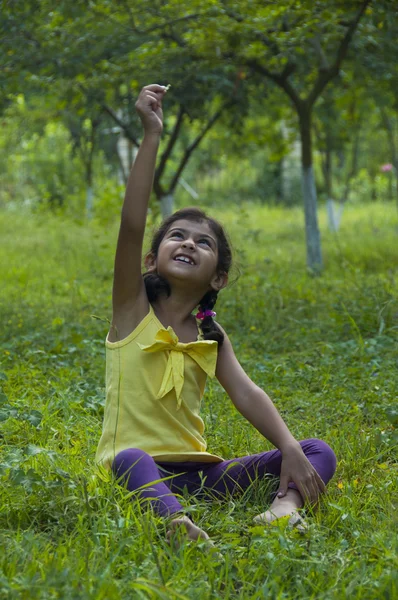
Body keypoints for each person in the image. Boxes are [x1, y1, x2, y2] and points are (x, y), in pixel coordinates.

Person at [95, 84, 336, 545]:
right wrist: (151, 136)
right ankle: (176, 523)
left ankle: (283, 511)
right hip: (136, 469)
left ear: (218, 278)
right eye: (177, 236)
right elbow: (130, 226)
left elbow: (247, 394)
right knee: (129, 458)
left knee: (313, 451)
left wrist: (288, 449)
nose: (188, 243)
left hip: (202, 476)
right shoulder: (131, 310)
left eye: (203, 243)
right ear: (151, 260)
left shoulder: (210, 334)